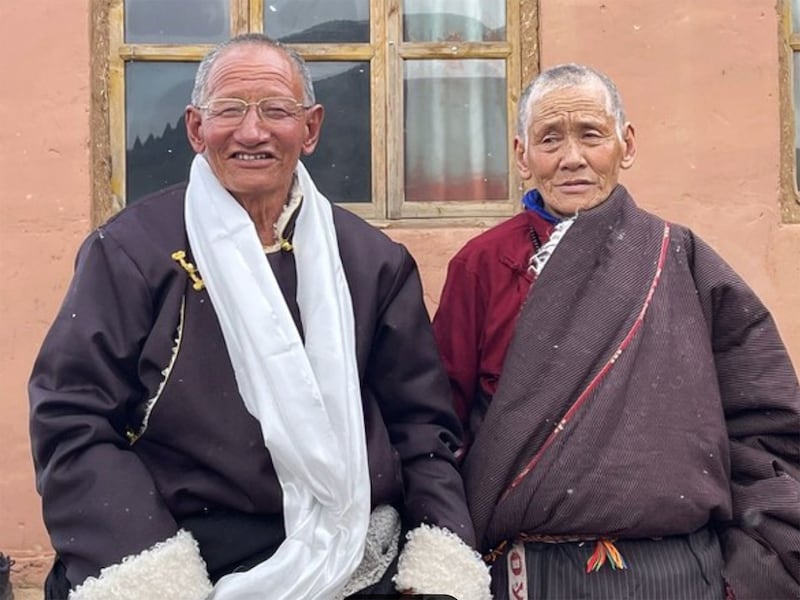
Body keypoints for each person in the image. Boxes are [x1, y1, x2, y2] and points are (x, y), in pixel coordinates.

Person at [29, 33, 491, 600]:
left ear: (312, 128)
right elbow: (72, 422)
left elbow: (420, 428)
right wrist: (152, 573)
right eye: (229, 110)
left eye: (277, 110)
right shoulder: (132, 253)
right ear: (197, 129)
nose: (253, 132)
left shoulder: (371, 263)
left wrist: (440, 561)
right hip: (186, 552)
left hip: (351, 555)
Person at [432, 63, 800, 599]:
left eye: (591, 135)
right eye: (550, 139)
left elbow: (764, 421)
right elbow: (438, 425)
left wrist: (750, 567)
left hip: (683, 573)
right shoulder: (483, 265)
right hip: (529, 575)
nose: (572, 158)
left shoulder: (681, 259)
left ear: (626, 144)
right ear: (521, 156)